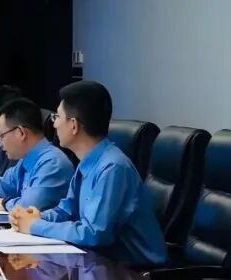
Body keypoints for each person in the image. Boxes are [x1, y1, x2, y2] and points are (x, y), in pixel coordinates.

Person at [10, 81, 167, 267]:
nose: (55, 124)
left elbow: (94, 234)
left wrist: (35, 226)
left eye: (57, 117)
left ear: (74, 125)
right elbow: (66, 211)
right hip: (99, 264)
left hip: (135, 274)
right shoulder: (87, 162)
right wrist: (36, 217)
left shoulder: (113, 168)